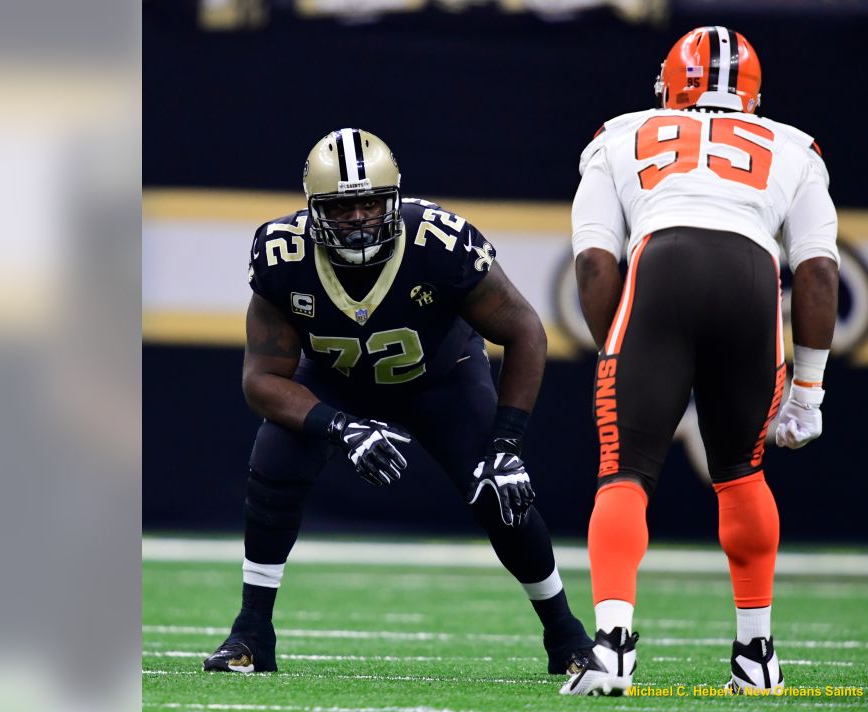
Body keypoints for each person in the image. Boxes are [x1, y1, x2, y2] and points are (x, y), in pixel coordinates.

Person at [202, 128, 591, 674]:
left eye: (369, 203)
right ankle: (251, 633)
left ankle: (567, 638)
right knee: (275, 458)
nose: (359, 217)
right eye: (342, 207)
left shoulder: (440, 242)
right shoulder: (282, 255)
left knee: (498, 489)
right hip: (335, 380)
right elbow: (261, 379)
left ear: (395, 198)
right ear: (313, 210)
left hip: (441, 379)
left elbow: (526, 330)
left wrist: (507, 443)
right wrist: (342, 427)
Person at [559, 27, 841, 696]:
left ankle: (614, 648)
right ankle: (757, 654)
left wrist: (617, 352)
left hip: (665, 265)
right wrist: (810, 390)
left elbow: (596, 260)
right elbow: (821, 273)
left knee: (624, 471)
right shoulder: (795, 146)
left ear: (669, 86)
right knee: (743, 474)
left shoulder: (619, 133)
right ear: (753, 95)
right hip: (752, 274)